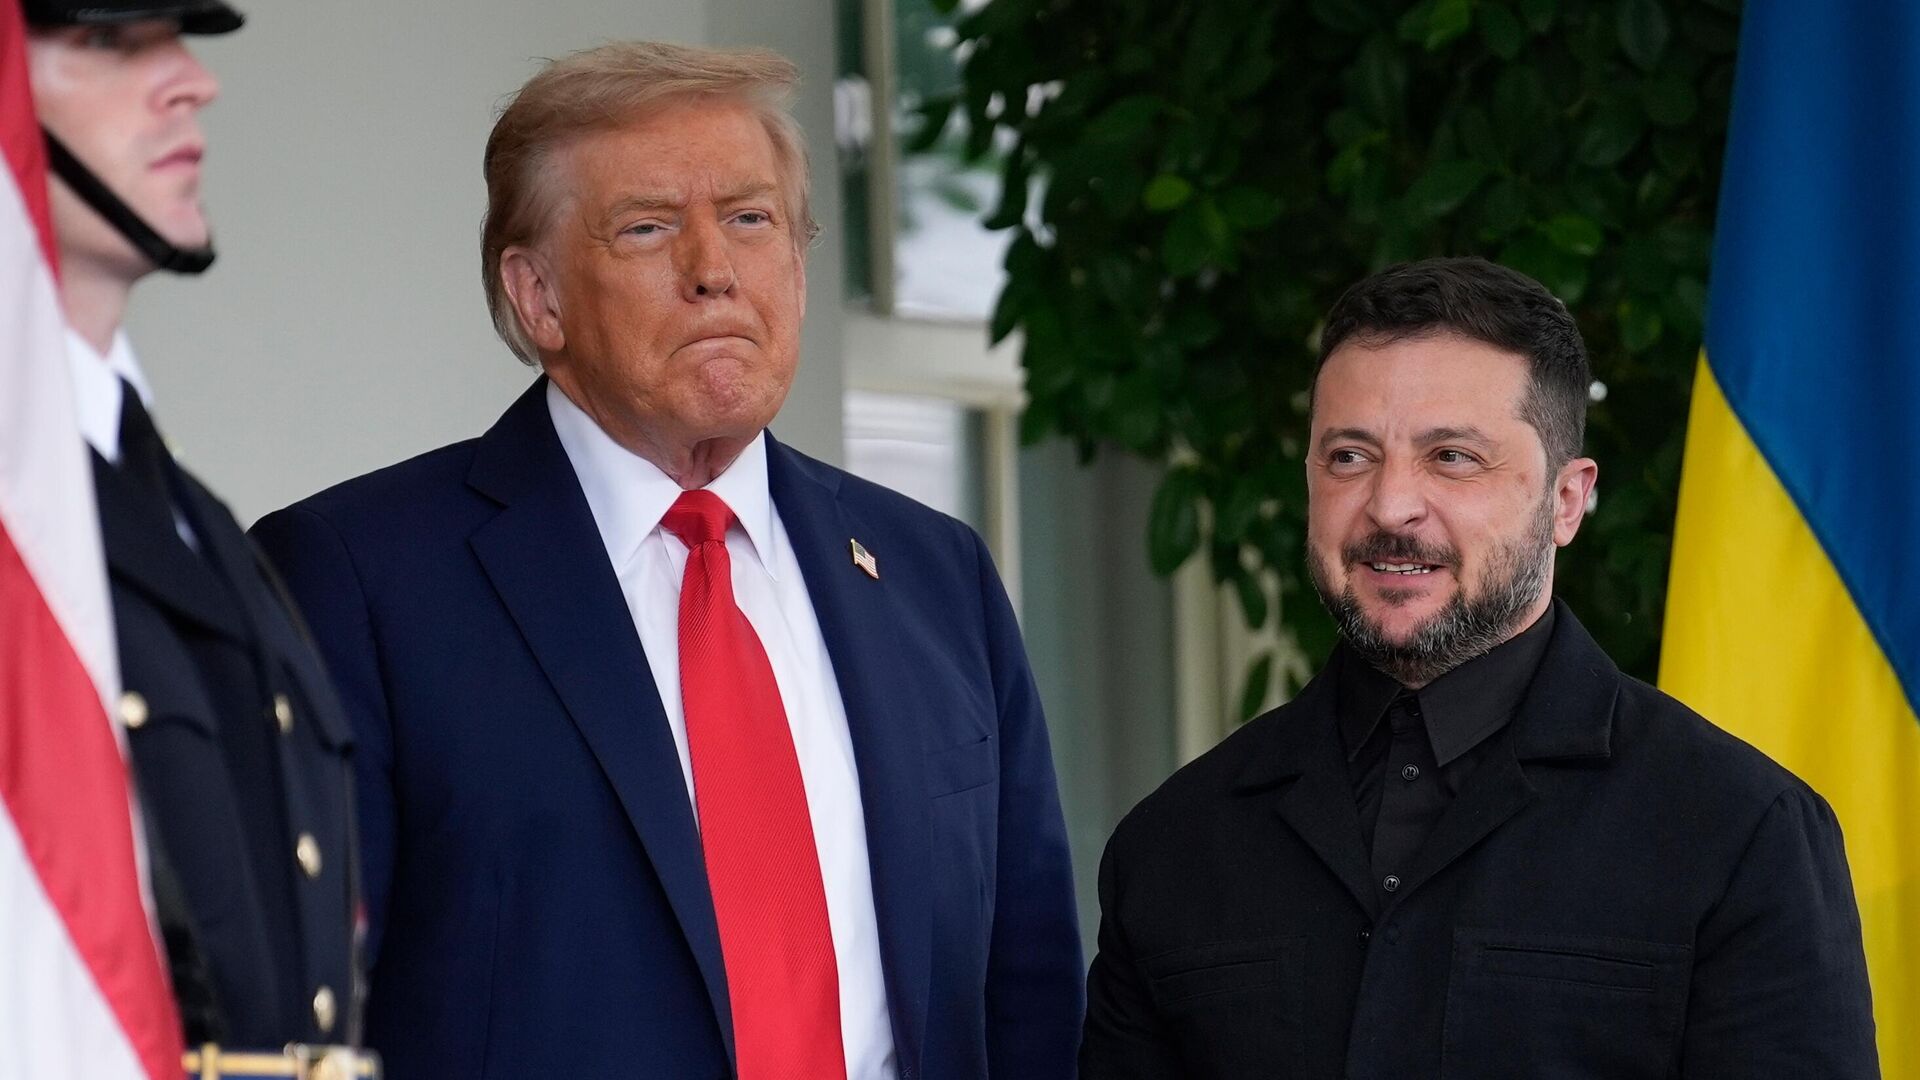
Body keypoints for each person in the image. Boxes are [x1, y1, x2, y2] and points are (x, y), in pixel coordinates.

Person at [249, 40, 1083, 1080]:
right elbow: (295, 1007)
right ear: (538, 296)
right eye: (647, 227)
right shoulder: (355, 578)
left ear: (799, 268)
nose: (712, 270)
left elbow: (1029, 992)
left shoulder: (933, 573)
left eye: (751, 219)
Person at [1078, 257, 1878, 1078]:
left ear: (1567, 501)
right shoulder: (1171, 845)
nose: (1390, 505)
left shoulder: (1740, 834)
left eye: (1453, 457)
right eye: (1349, 456)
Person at [25, 0, 367, 1066]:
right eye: (106, 41)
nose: (193, 81)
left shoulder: (187, 510)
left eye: (176, 38)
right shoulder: (29, 514)